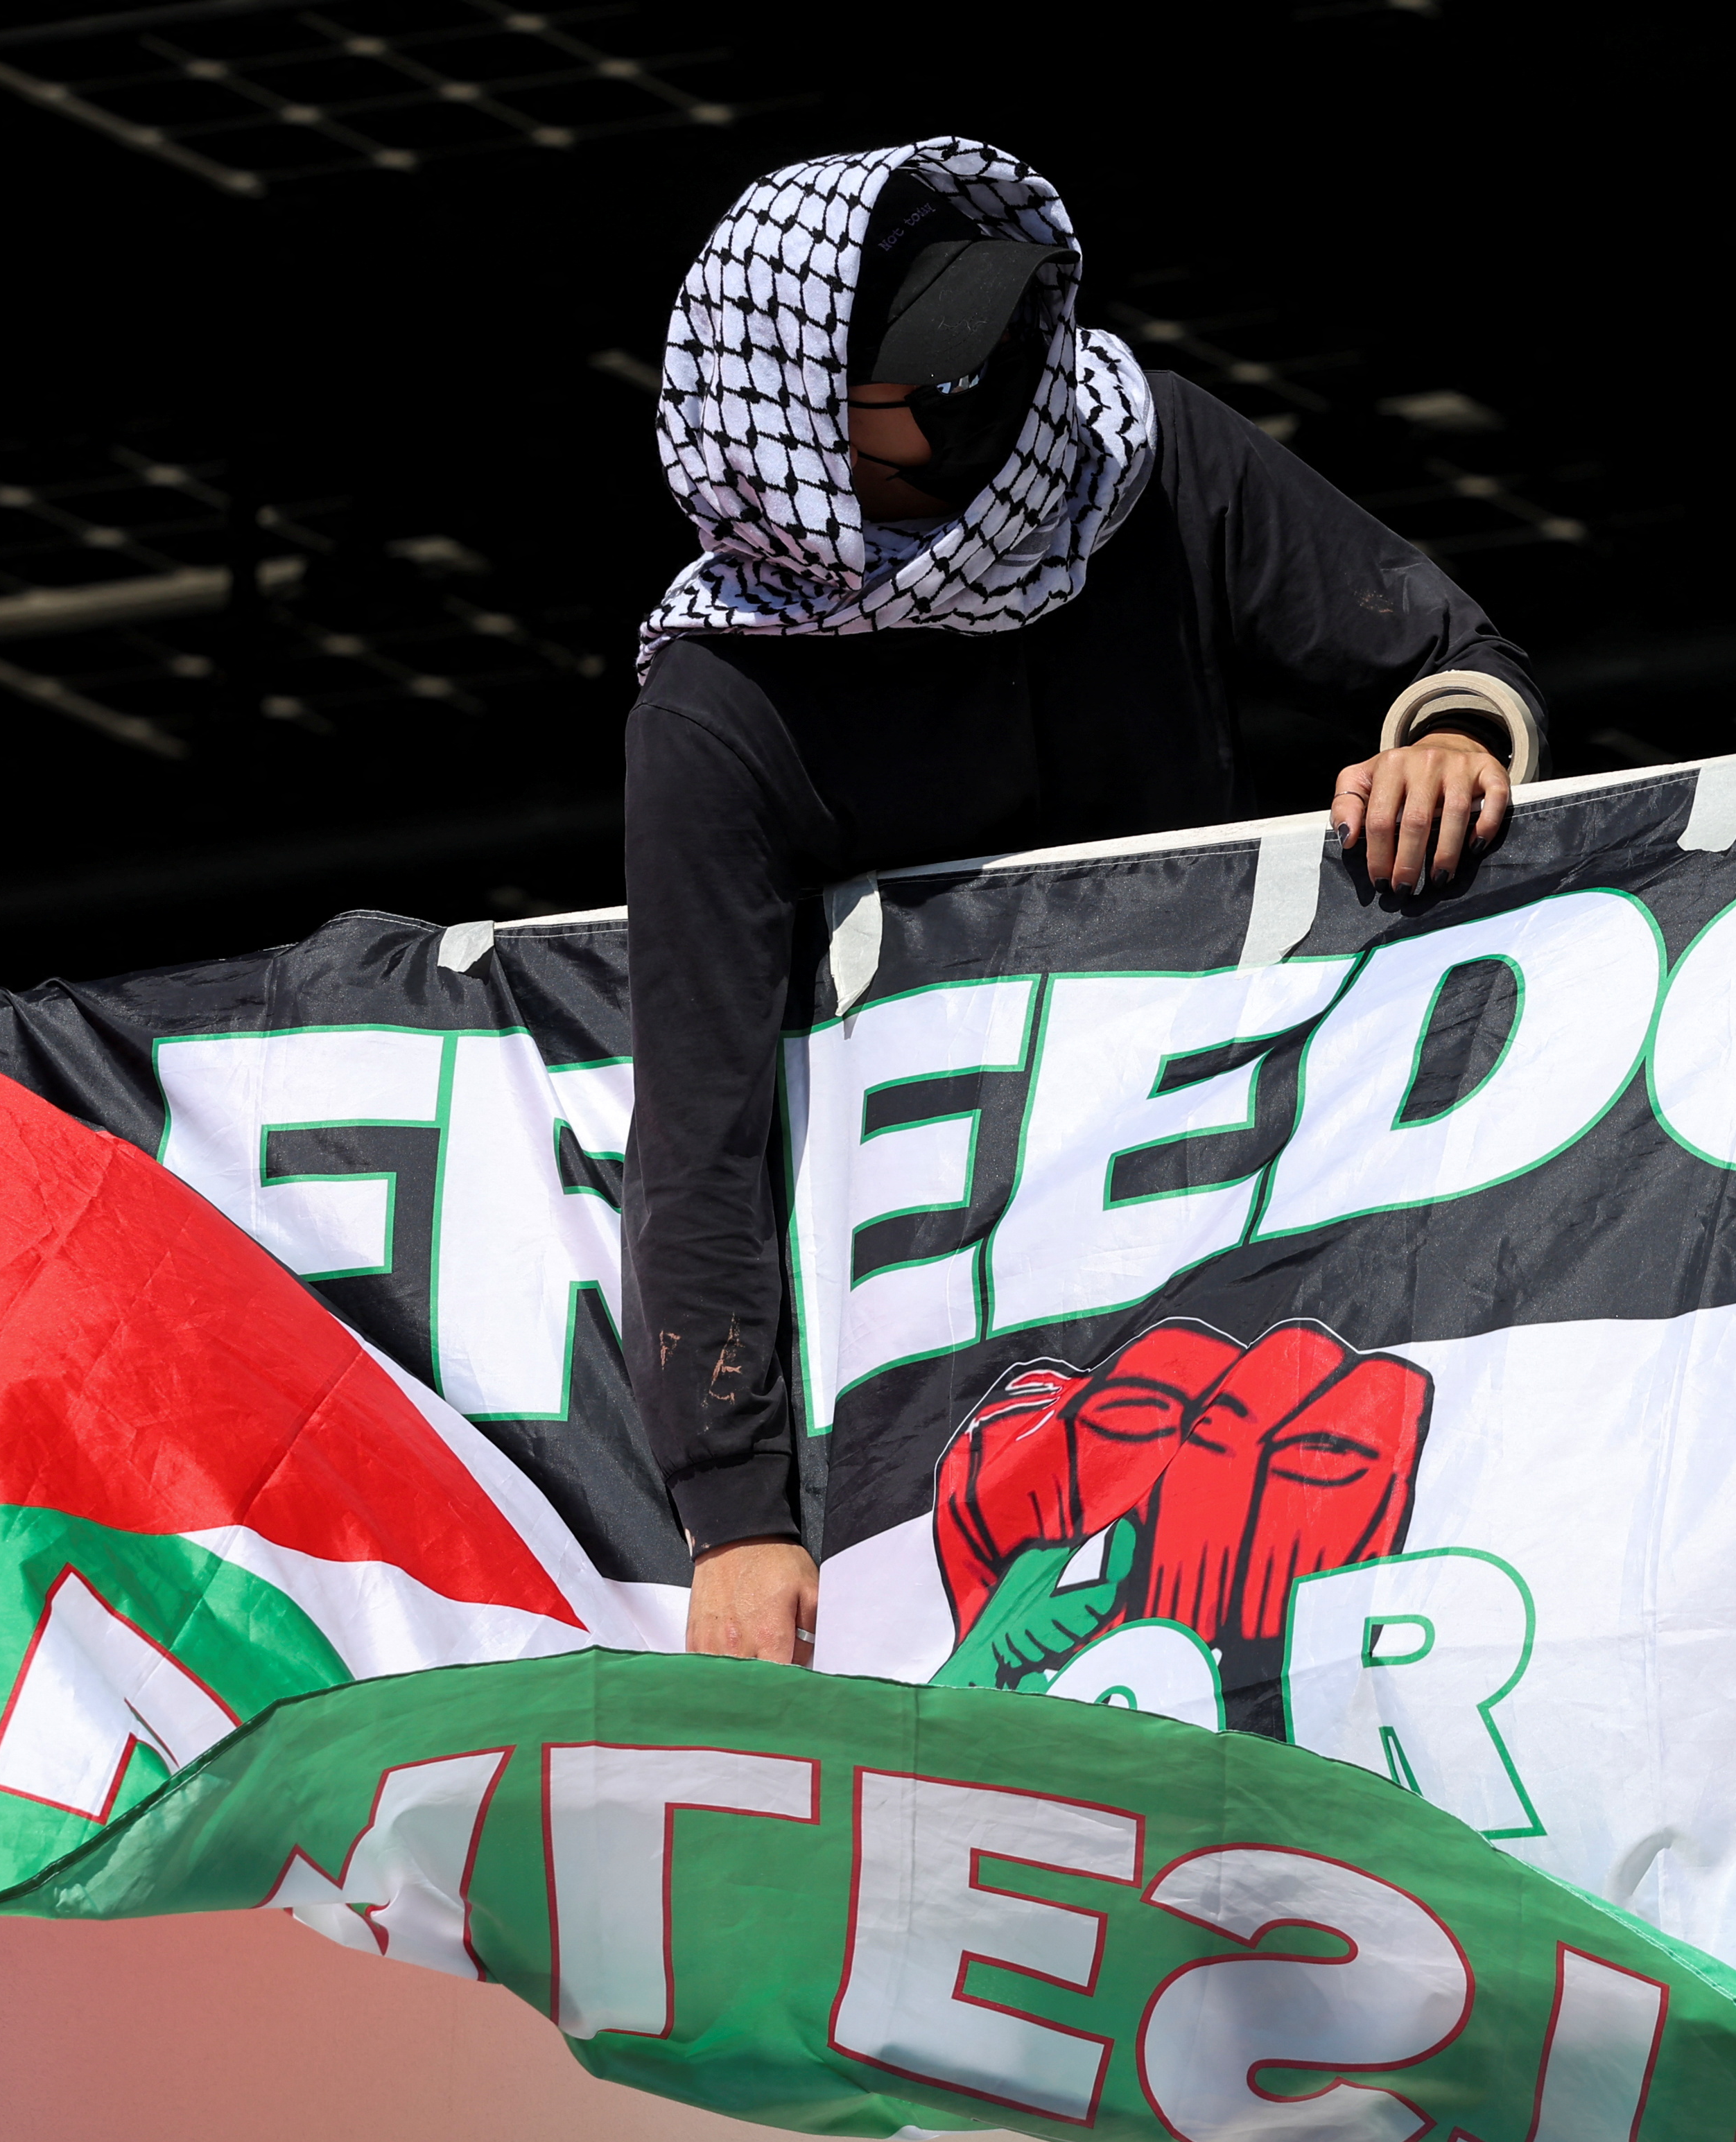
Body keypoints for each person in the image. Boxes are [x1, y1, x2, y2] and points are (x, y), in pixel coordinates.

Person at [620, 136, 1547, 1666]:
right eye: (930, 363)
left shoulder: (1145, 455)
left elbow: (1453, 657)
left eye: (989, 325)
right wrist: (739, 1520)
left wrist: (1446, 741)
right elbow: (697, 1139)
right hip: (958, 1352)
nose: (998, 377)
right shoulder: (720, 715)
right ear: (797, 423)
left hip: (1255, 1230)